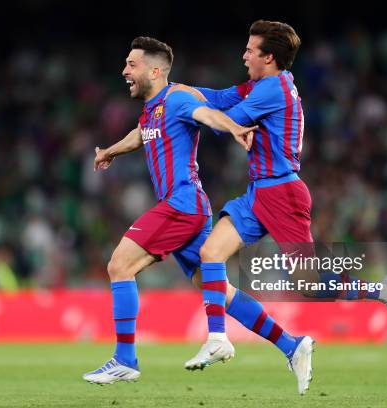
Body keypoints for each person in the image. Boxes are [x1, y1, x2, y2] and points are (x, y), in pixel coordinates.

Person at [181, 20, 387, 395]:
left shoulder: (272, 88)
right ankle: (218, 337)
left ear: (269, 57)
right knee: (210, 252)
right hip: (259, 193)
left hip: (283, 195)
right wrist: (177, 91)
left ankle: (382, 291)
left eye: (250, 50)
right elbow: (222, 98)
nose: (243, 55)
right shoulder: (264, 84)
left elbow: (227, 121)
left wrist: (186, 111)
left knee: (308, 286)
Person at [82, 36, 256, 385]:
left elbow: (206, 113)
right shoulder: (153, 107)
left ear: (155, 70)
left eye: (132, 65)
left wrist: (234, 126)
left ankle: (125, 359)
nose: (124, 71)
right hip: (190, 207)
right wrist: (110, 151)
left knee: (119, 265)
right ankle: (290, 343)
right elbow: (141, 134)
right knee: (214, 286)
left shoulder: (177, 98)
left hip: (181, 205)